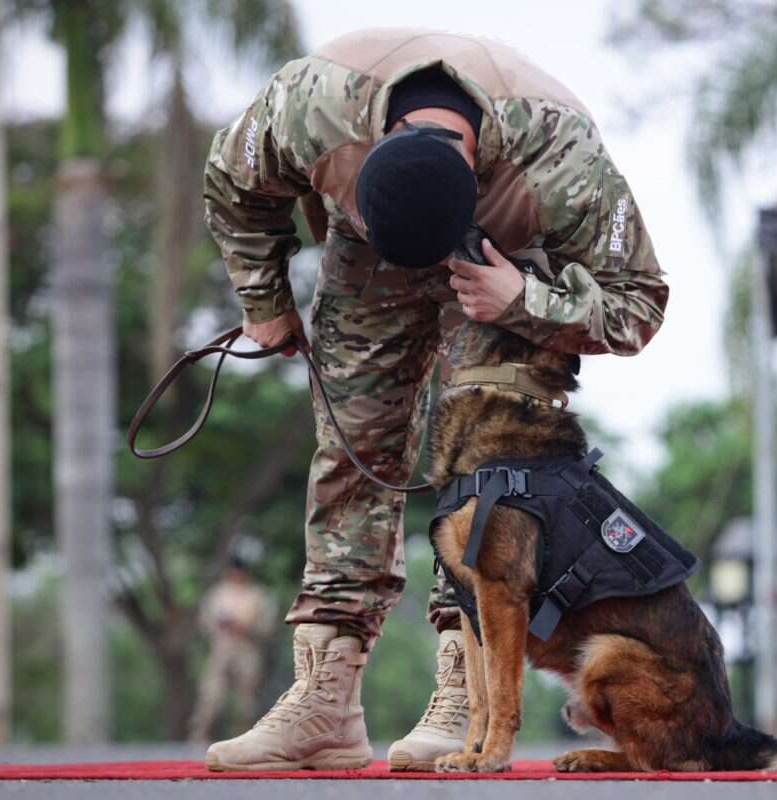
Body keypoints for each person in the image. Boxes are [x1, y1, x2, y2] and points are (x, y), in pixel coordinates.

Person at [201, 29, 667, 771]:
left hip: (501, 271)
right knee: (351, 439)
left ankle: (464, 693)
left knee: (487, 462)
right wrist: (264, 302)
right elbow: (232, 182)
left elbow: (638, 303)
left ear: (479, 166)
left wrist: (526, 301)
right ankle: (326, 700)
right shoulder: (311, 108)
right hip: (364, 250)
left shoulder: (561, 160)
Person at [188, 558, 276, 743]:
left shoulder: (257, 595)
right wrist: (219, 626)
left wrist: (246, 627)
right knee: (211, 694)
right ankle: (198, 738)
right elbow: (204, 622)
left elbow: (267, 626)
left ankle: (245, 738)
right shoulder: (218, 593)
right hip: (222, 648)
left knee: (247, 698)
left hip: (247, 648)